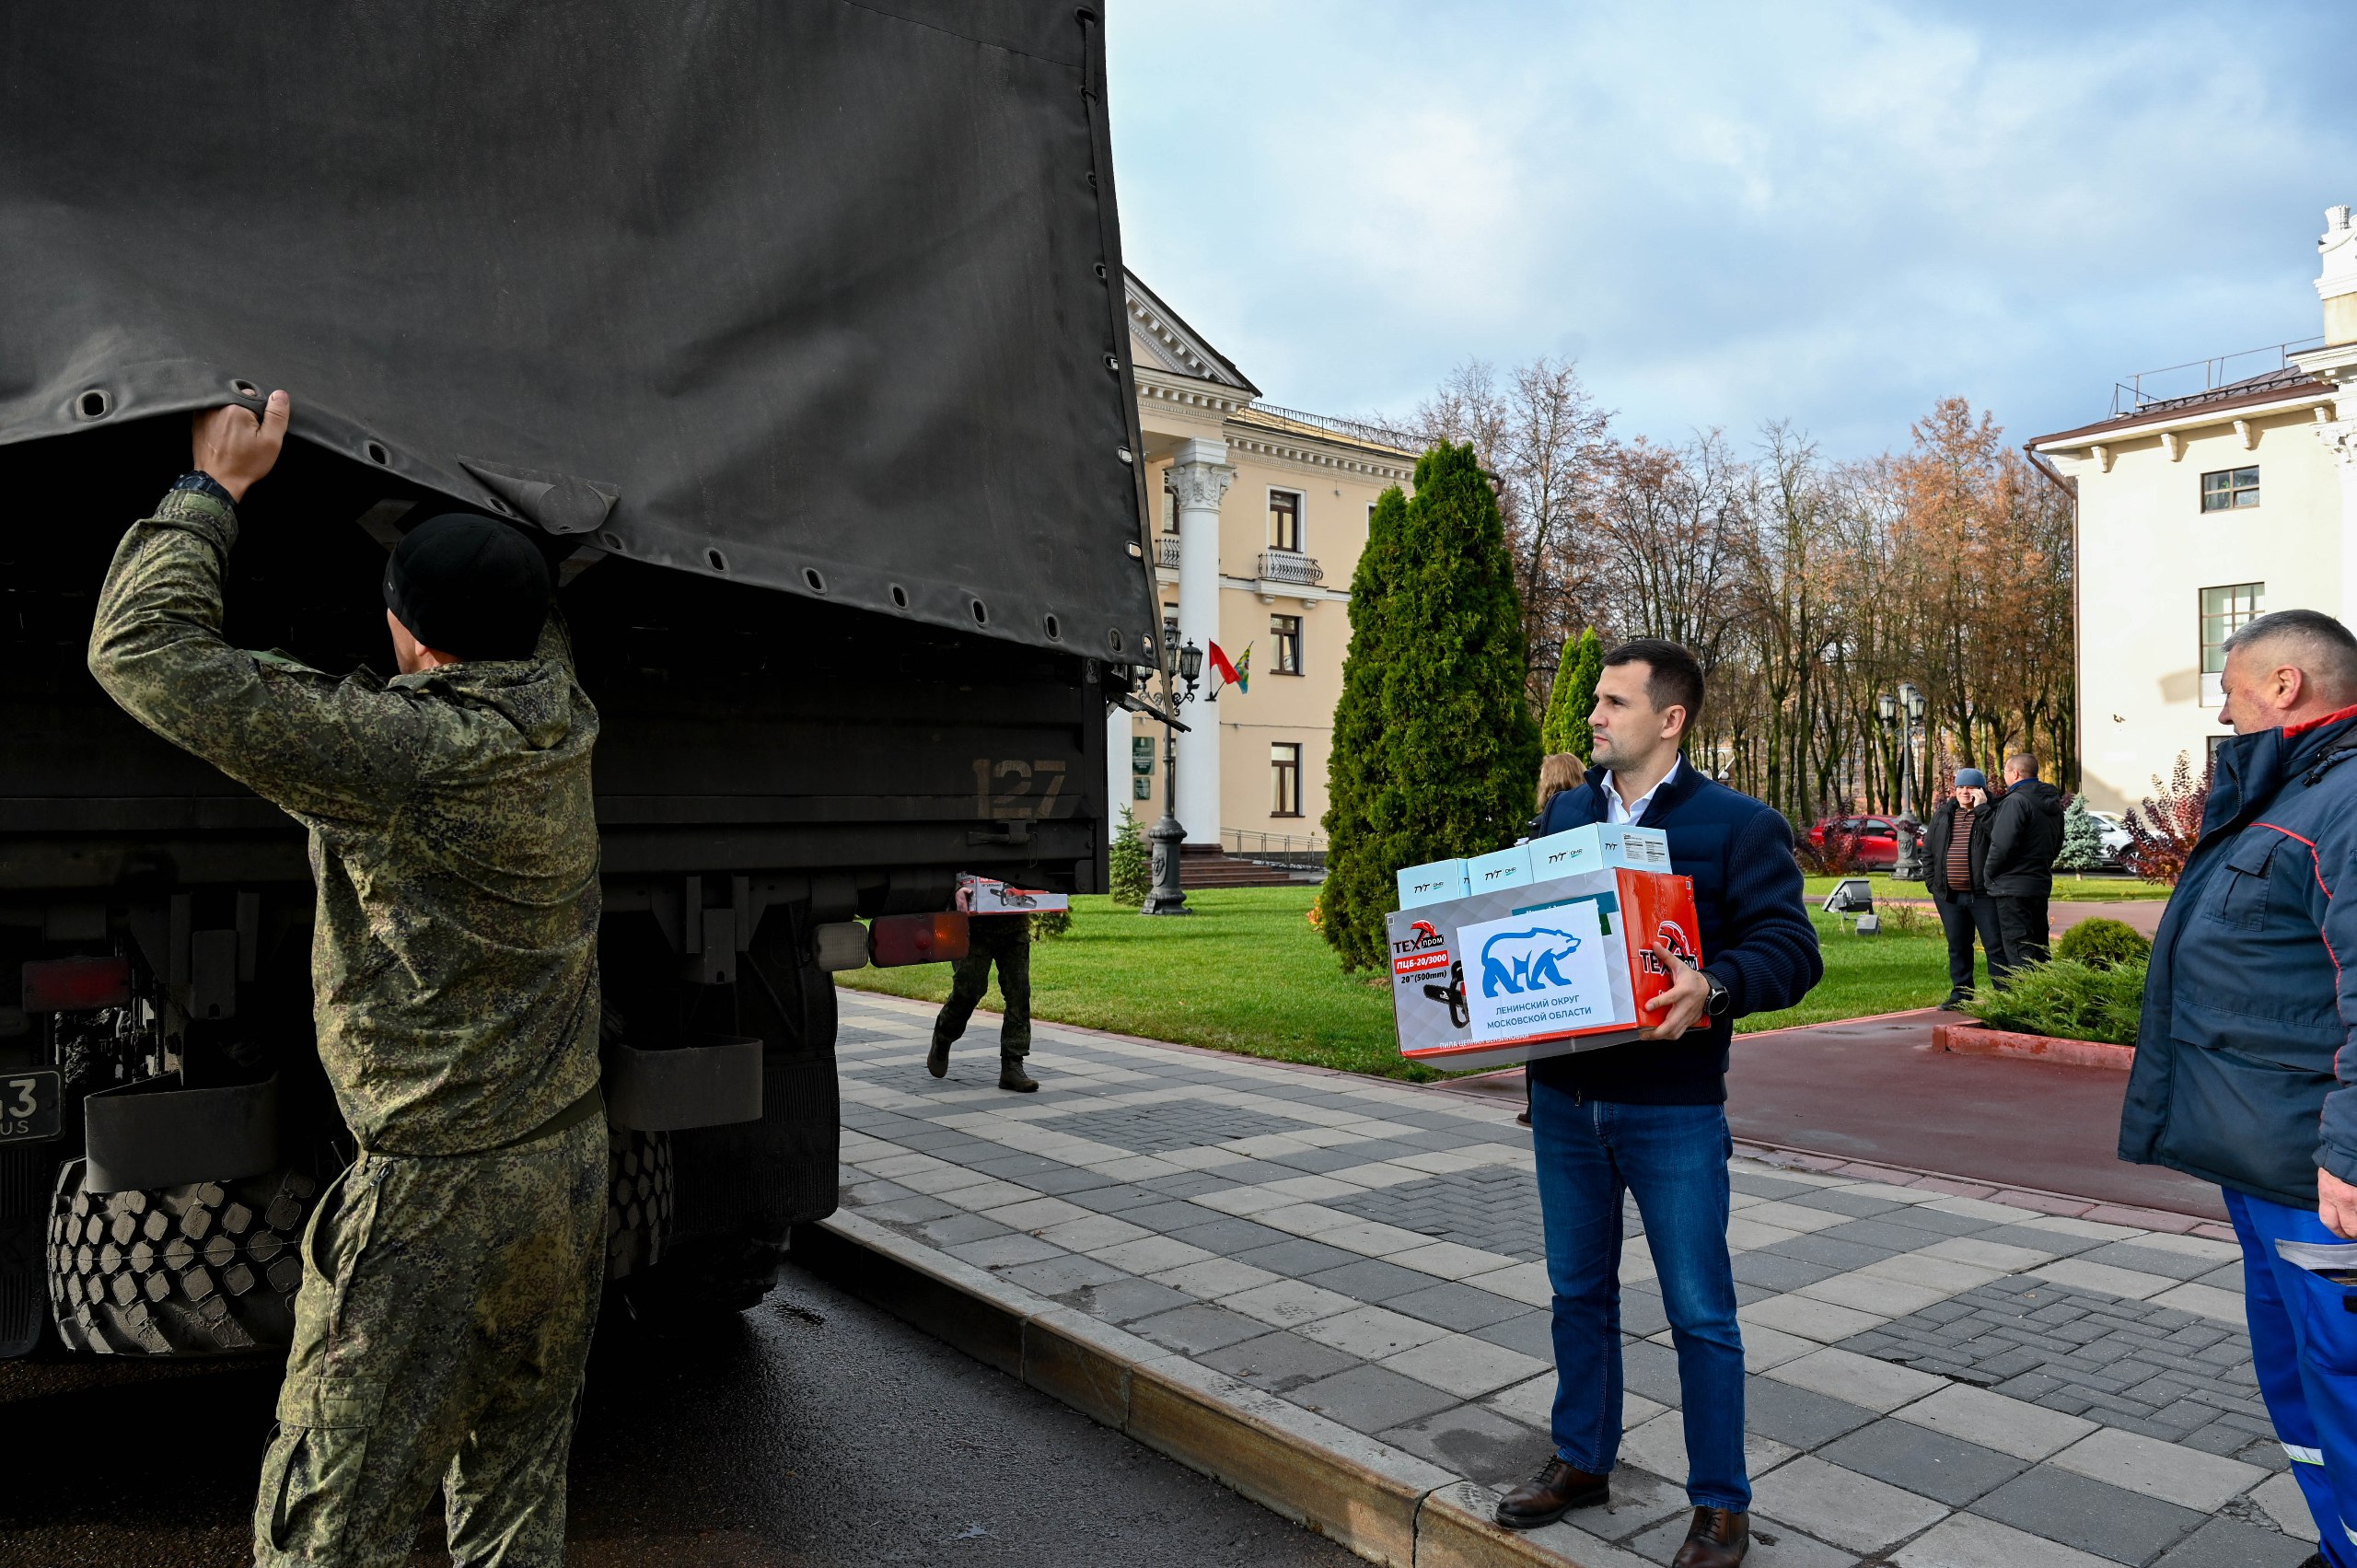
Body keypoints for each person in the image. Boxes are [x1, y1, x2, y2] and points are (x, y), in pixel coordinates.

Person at [87, 393, 606, 1568]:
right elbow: (533, 611)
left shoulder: (405, 754)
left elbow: (141, 650)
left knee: (328, 1525)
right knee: (515, 1499)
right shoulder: (563, 715)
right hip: (567, 1169)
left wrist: (207, 489)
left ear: (409, 638)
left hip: (431, 1203)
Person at [1499, 639, 1822, 1568]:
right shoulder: (1563, 811)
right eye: (1595, 701)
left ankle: (1721, 1503)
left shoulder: (1734, 823)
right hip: (1563, 1099)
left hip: (1672, 1108)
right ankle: (1581, 1459)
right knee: (1577, 1293)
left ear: (1669, 717)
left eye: (1612, 702)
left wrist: (1714, 987)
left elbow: (1791, 950)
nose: (1592, 715)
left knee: (1699, 1312)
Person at [2120, 608, 2357, 1566]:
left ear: (2284, 685)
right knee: (2301, 1378)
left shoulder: (2341, 801)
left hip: (2317, 1175)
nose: (2222, 710)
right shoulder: (2287, 796)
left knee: (2343, 1377)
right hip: (2263, 1162)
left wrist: (2349, 1152)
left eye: (2229, 691)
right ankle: (2337, 1535)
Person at [928, 913, 1038, 1091]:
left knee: (1019, 994)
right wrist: (957, 888)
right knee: (969, 992)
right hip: (971, 927)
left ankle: (1012, 1064)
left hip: (1014, 924)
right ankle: (944, 1034)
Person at [1924, 768, 2005, 1006]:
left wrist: (1982, 810)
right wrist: (1933, 884)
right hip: (1949, 896)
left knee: (1995, 945)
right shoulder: (1943, 814)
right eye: (1960, 787)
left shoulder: (1993, 812)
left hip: (1983, 895)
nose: (1964, 792)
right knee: (1958, 946)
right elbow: (1928, 851)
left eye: (1970, 787)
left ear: (1981, 790)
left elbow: (2002, 840)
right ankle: (1961, 993)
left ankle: (2005, 995)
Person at [1984, 751, 2065, 975]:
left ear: (2016, 773)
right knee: (2039, 947)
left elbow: (2002, 846)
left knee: (2019, 949)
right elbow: (2056, 843)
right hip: (2038, 883)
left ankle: (2026, 1004)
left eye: (2006, 772)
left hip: (2012, 887)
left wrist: (1989, 874)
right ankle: (2043, 998)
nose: (2005, 776)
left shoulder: (2016, 801)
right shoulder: (2052, 803)